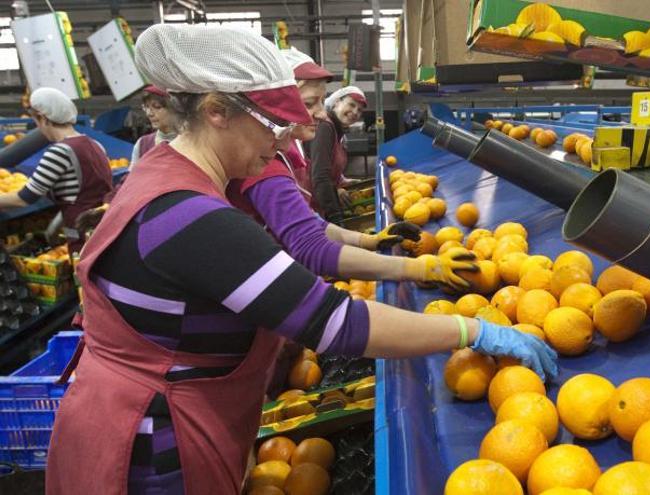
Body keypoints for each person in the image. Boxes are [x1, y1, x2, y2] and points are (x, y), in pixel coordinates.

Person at [45, 24, 557, 495]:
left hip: (140, 410)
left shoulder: (165, 171)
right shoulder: (190, 216)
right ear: (216, 111)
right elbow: (334, 322)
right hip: (149, 446)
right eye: (273, 125)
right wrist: (472, 332)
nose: (284, 142)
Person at [227, 49, 471, 290]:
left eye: (322, 101)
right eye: (310, 103)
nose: (322, 113)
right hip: (269, 288)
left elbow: (309, 222)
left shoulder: (288, 152)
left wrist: (367, 240)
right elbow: (310, 246)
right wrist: (415, 269)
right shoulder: (265, 165)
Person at [0, 87, 112, 254]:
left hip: (82, 236)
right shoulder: (95, 145)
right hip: (105, 230)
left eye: (37, 123)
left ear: (44, 119)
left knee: (84, 278)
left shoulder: (59, 151)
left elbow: (24, 198)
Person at [304, 85, 367, 223]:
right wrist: (336, 217)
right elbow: (320, 176)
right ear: (337, 102)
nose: (355, 112)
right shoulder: (325, 127)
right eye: (351, 104)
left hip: (321, 205)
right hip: (314, 208)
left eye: (359, 110)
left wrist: (343, 182)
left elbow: (330, 166)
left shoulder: (337, 131)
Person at [130, 85, 178, 167]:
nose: (149, 113)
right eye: (146, 107)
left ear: (174, 109)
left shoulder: (192, 142)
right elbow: (132, 177)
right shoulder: (142, 144)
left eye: (157, 107)